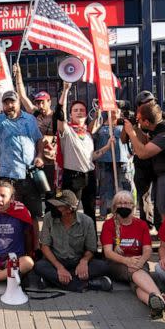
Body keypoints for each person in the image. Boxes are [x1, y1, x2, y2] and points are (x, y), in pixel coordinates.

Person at [0, 81, 45, 249]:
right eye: (6, 102)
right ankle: (15, 252)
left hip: (29, 176)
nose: (10, 105)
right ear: (2, 105)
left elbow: (39, 139)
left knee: (32, 216)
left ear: (18, 102)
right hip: (8, 179)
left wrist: (40, 155)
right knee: (12, 215)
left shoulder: (30, 119)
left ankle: (35, 250)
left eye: (12, 101)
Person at [100, 191, 165, 319]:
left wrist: (140, 262)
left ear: (133, 206)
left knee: (136, 285)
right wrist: (127, 261)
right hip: (117, 264)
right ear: (114, 207)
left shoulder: (141, 224)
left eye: (127, 203)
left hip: (139, 262)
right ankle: (161, 297)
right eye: (120, 203)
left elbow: (147, 250)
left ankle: (156, 304)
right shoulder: (108, 225)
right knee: (136, 273)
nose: (123, 205)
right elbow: (108, 253)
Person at [124, 102, 165, 229]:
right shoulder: (159, 130)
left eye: (139, 120)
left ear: (147, 122)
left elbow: (142, 153)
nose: (138, 122)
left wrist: (131, 133)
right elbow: (145, 144)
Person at [33, 190, 112, 292]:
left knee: (103, 266)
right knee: (39, 266)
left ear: (70, 209)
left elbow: (91, 249)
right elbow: (44, 246)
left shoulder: (87, 221)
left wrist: (84, 262)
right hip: (56, 261)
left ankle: (53, 281)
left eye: (59, 206)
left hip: (77, 261)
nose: (54, 209)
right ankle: (86, 284)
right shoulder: (49, 217)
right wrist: (59, 267)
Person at [57, 83, 111, 229]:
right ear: (70, 114)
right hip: (73, 177)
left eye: (82, 110)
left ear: (86, 114)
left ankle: (92, 246)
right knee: (69, 212)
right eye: (75, 110)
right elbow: (59, 114)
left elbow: (90, 157)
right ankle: (71, 247)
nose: (79, 112)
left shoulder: (87, 134)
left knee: (90, 212)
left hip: (89, 176)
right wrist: (66, 90)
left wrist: (106, 147)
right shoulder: (67, 131)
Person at [13, 63, 60, 195]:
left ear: (49, 101)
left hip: (52, 159)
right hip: (35, 158)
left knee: (52, 192)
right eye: (37, 102)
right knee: (35, 191)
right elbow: (22, 96)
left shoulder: (57, 117)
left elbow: (64, 134)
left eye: (42, 102)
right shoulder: (34, 113)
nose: (40, 104)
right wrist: (18, 75)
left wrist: (50, 138)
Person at [120, 91, 161, 229]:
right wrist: (130, 125)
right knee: (143, 196)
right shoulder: (135, 119)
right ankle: (147, 225)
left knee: (161, 196)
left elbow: (152, 140)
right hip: (142, 163)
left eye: (151, 102)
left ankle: (161, 225)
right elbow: (123, 139)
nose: (150, 105)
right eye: (145, 104)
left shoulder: (160, 116)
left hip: (158, 161)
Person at [94, 110, 134, 219]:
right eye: (111, 110)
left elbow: (133, 140)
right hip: (104, 162)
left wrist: (131, 153)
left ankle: (127, 211)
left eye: (116, 110)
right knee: (105, 188)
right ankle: (104, 213)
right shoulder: (99, 127)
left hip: (122, 162)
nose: (113, 112)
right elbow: (93, 137)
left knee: (125, 187)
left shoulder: (125, 126)